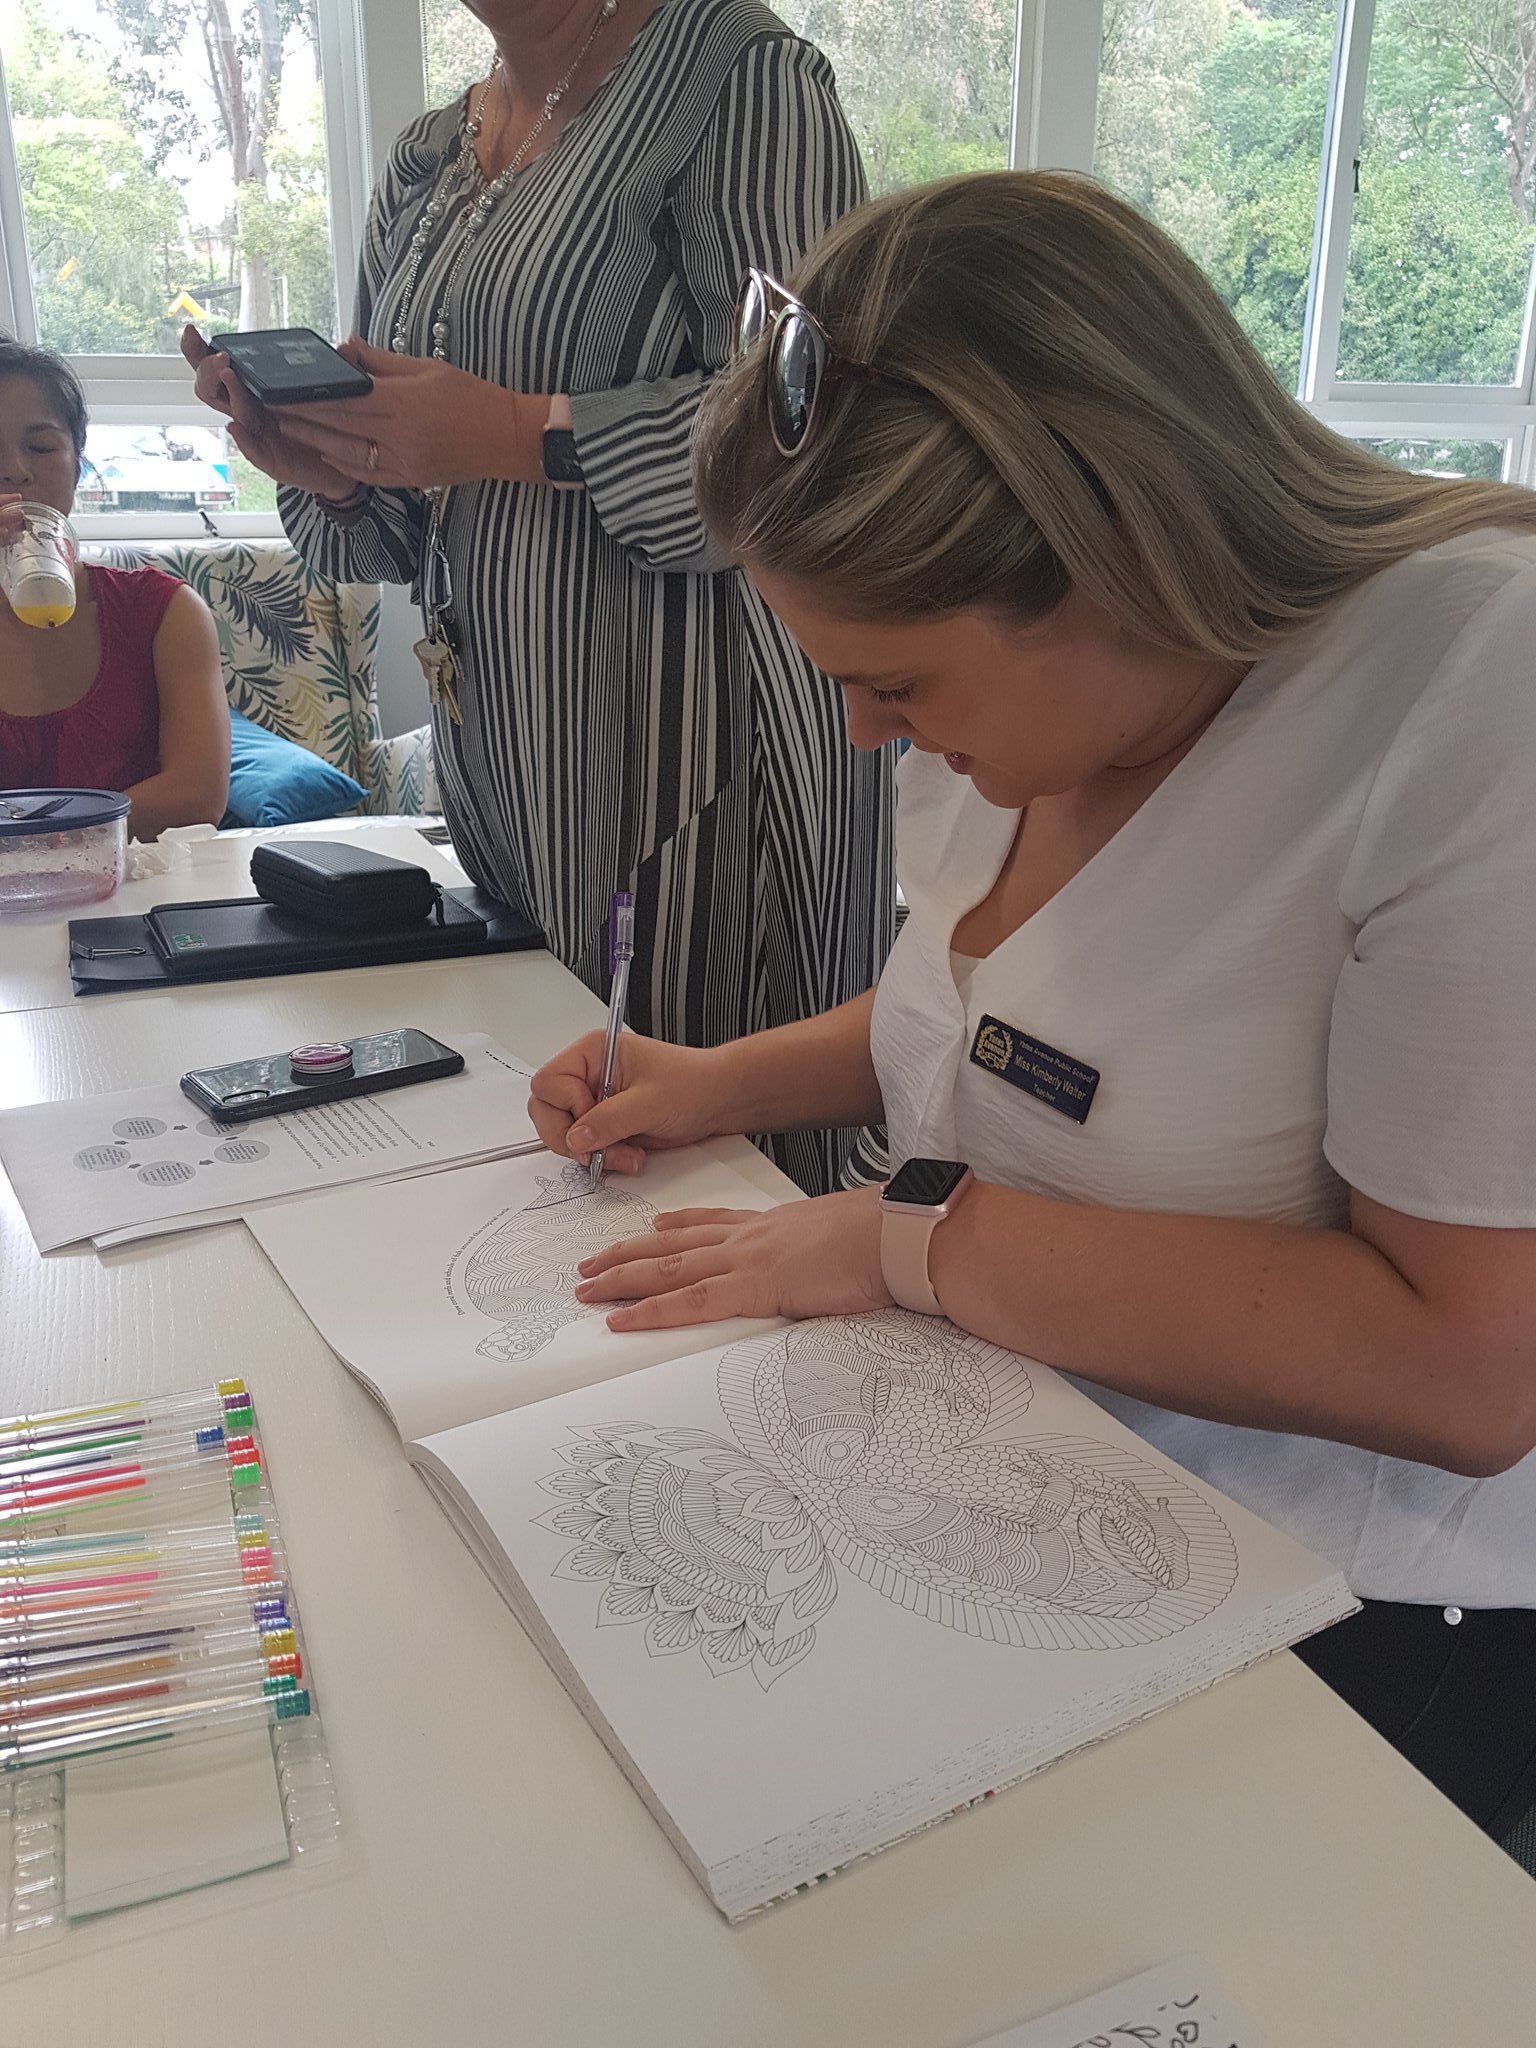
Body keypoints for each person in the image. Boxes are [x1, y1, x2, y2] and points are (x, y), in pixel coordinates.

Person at [527, 172, 1536, 1840]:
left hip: (1358, 1601)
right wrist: (719, 1082)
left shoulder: (1476, 690)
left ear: (1115, 560)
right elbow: (1011, 1017)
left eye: (895, 684)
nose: (869, 737)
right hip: (1016, 1454)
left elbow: (1466, 1371)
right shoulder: (1021, 716)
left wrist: (902, 1240)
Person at [183, 0, 892, 1195]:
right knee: (558, 1149)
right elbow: (401, 525)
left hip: (693, 758)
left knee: (715, 1167)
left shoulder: (741, 83)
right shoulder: (427, 159)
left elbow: (812, 430)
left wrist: (519, 432)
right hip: (505, 767)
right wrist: (336, 467)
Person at [0, 343, 228, 840]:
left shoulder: (165, 612)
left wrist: (32, 841)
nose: (15, 470)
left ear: (77, 464)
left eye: (41, 447)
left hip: (138, 887)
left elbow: (197, 796)